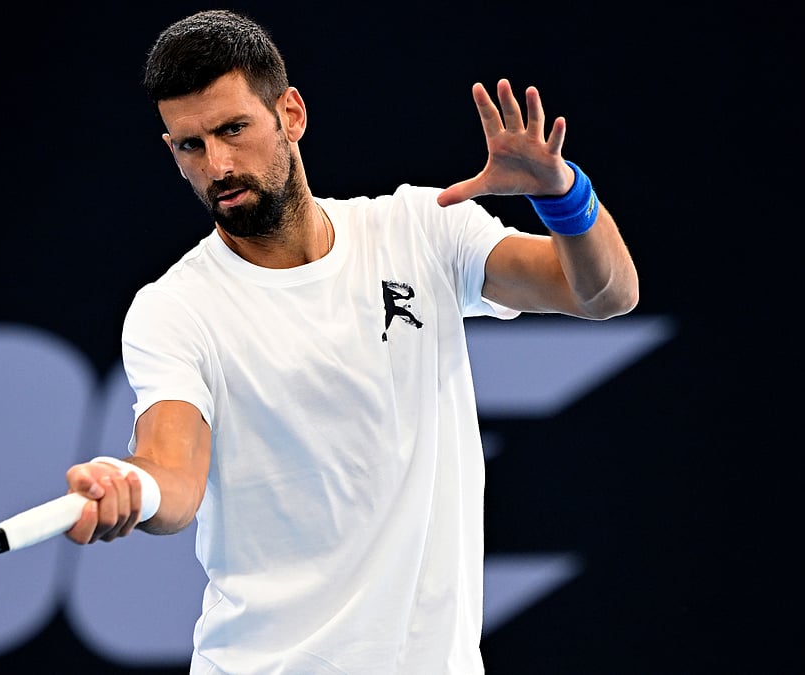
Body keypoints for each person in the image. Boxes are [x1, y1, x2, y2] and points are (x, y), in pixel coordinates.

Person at [63, 8, 638, 674]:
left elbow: (605, 293)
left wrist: (561, 195)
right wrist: (134, 485)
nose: (218, 164)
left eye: (234, 129)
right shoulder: (175, 309)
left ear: (292, 115)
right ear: (172, 152)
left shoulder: (422, 229)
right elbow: (175, 474)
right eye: (192, 145)